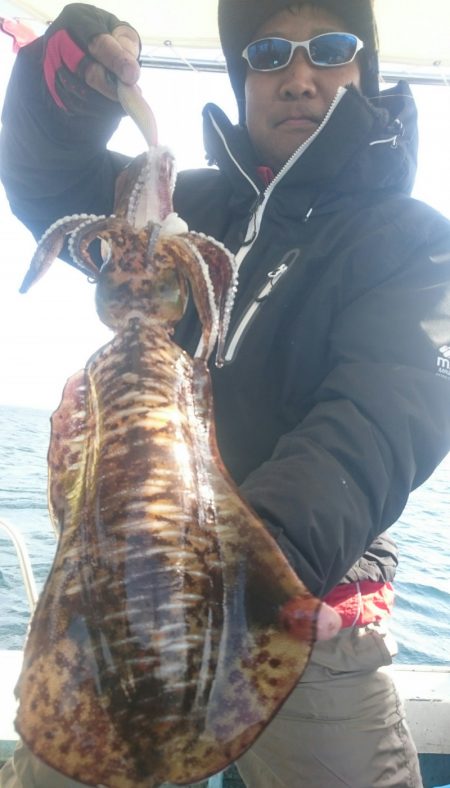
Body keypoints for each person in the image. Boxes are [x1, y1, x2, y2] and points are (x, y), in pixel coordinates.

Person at [1, 1, 450, 785]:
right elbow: (51, 182)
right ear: (244, 80)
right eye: (269, 55)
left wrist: (224, 570)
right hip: (115, 601)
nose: (299, 76)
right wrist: (62, 91)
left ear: (364, 70)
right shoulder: (188, 216)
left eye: (330, 49)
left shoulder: (412, 240)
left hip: (300, 608)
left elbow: (383, 416)